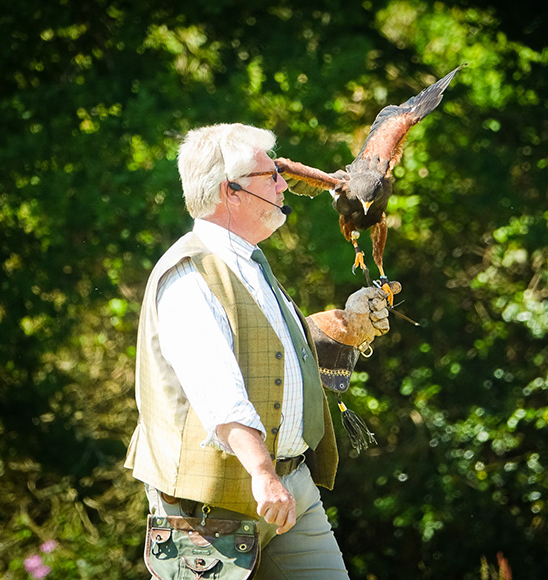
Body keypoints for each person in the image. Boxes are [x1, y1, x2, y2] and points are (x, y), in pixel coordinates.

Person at [124, 123, 398, 580]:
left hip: (293, 491)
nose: (283, 184)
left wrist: (348, 325)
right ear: (229, 191)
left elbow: (276, 358)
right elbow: (218, 388)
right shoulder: (191, 274)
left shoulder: (249, 262)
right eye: (269, 175)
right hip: (213, 505)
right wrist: (262, 473)